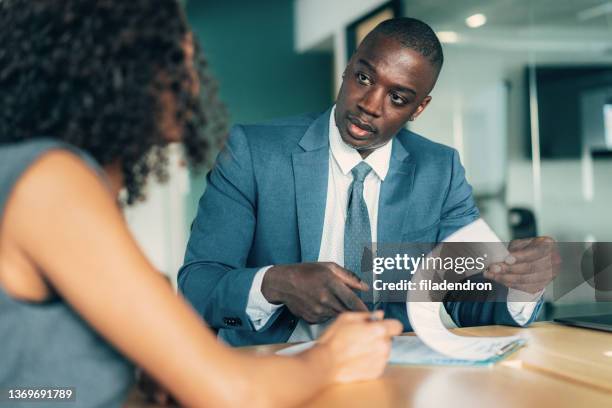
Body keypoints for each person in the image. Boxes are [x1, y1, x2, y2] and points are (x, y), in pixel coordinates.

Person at [0, 1, 402, 407]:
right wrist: (331, 357)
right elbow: (232, 393)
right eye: (177, 61)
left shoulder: (43, 178)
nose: (192, 85)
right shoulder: (51, 183)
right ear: (109, 70)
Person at [179, 17, 559, 347]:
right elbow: (198, 286)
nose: (371, 104)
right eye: (364, 78)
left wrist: (524, 282)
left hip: (390, 374)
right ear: (348, 69)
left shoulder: (439, 170)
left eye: (397, 97)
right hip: (274, 368)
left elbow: (467, 297)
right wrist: (276, 284)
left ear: (418, 108)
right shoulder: (253, 152)